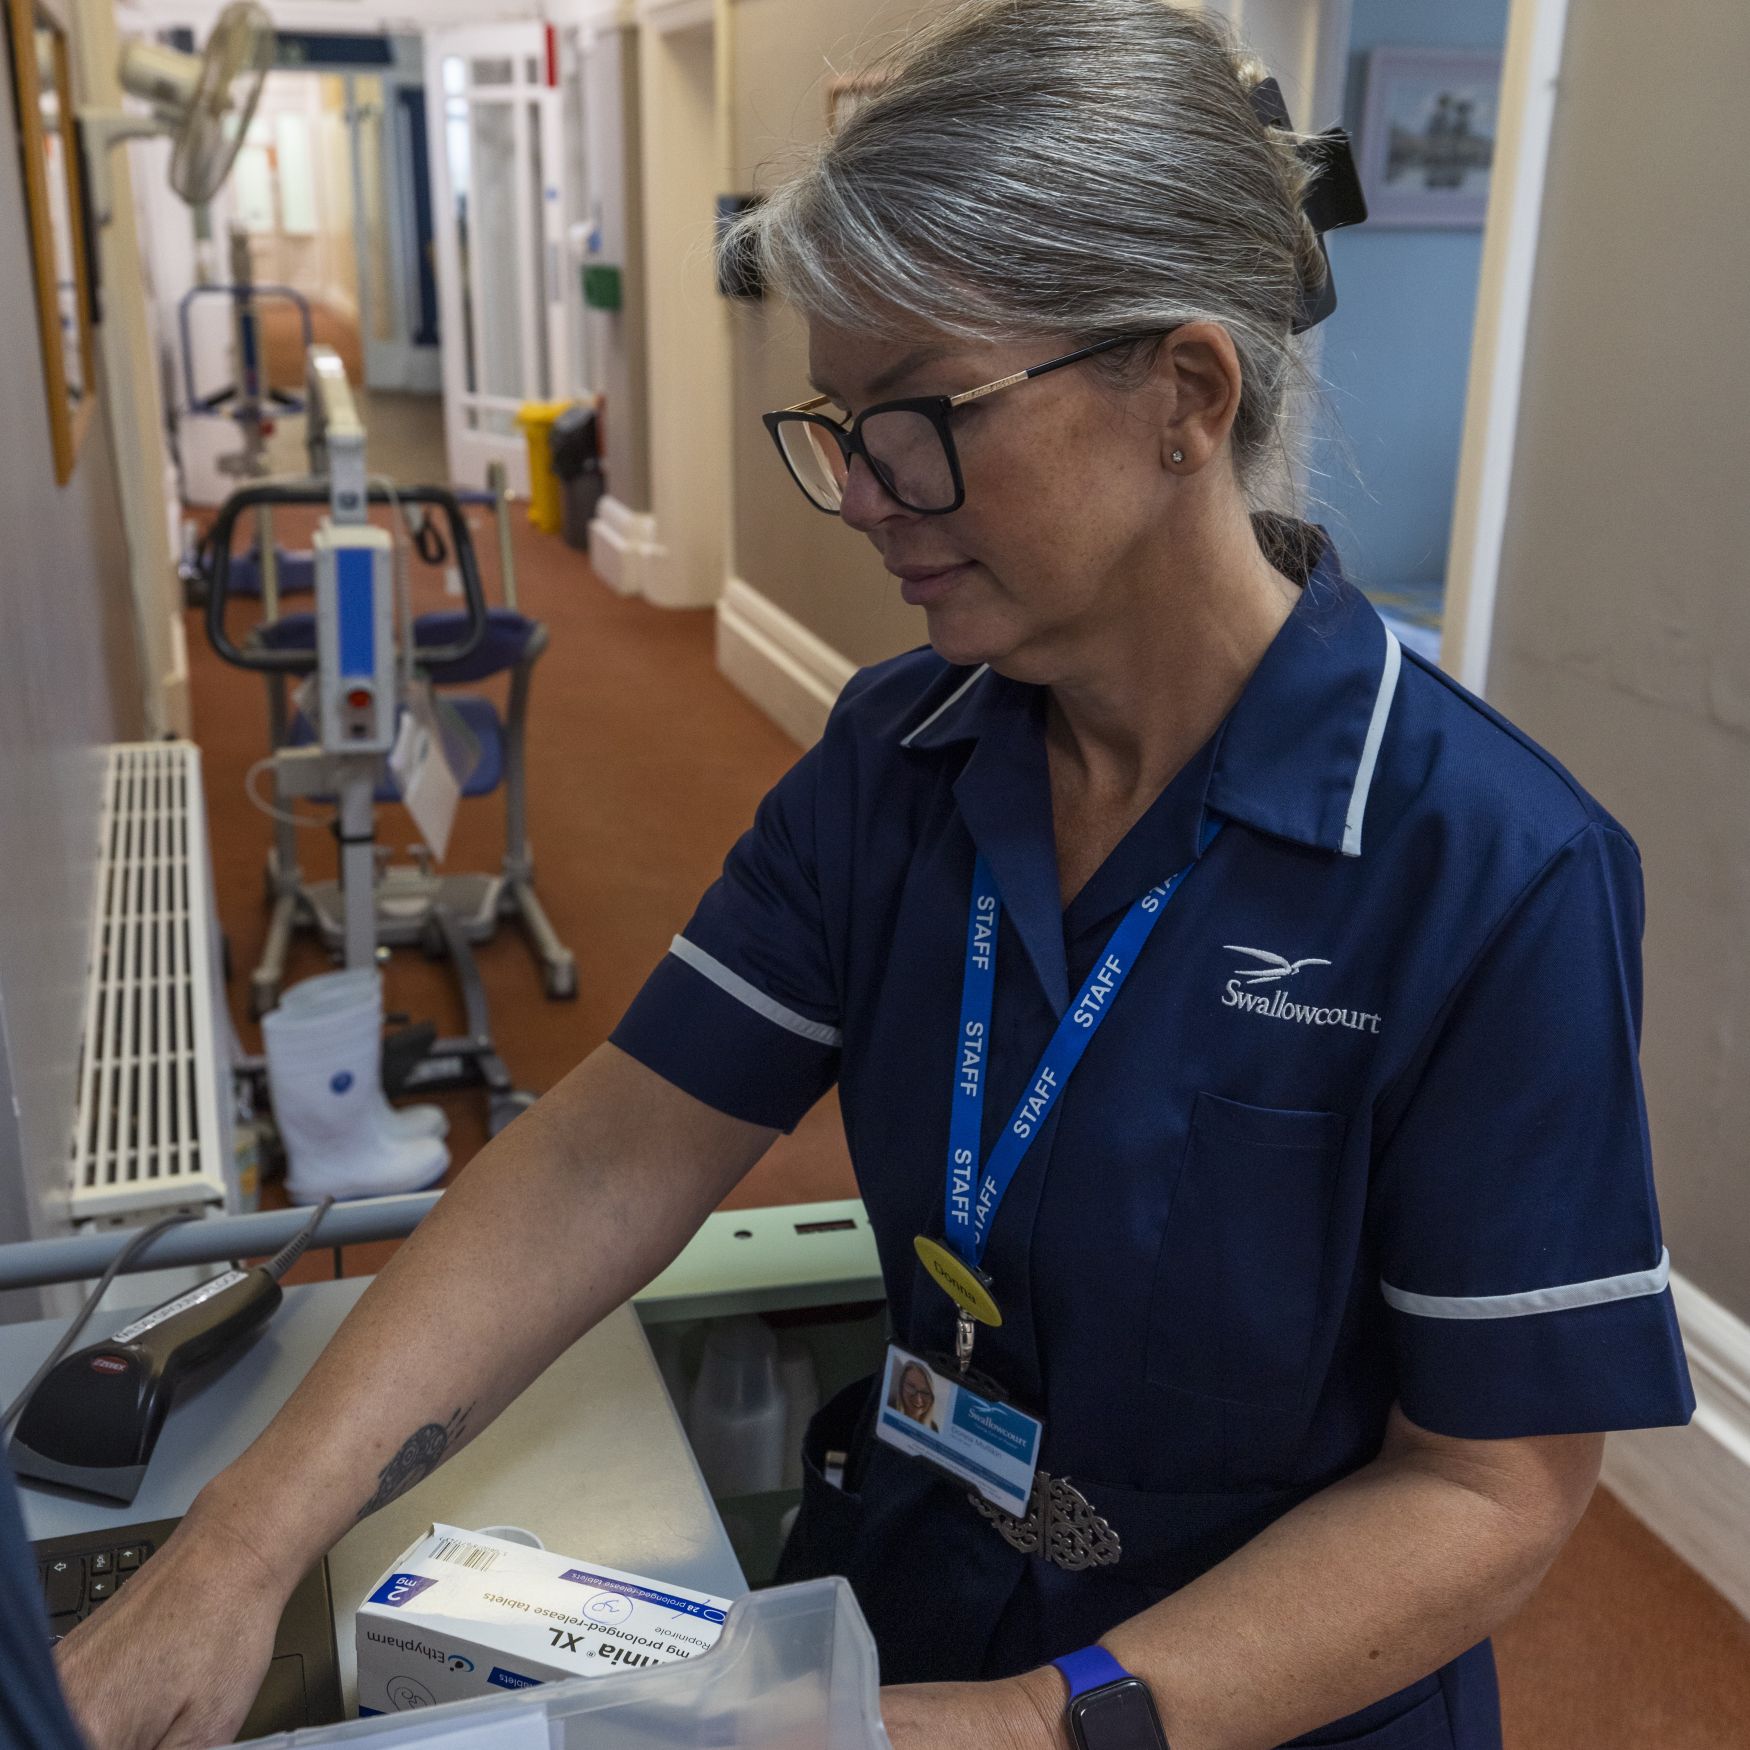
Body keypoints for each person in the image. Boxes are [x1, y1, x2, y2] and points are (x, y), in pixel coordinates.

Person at [58, 3, 1693, 1747]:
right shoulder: (898, 755)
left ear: (1184, 396)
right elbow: (613, 1149)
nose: (859, 496)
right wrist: (236, 1550)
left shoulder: (1488, 871)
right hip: (904, 1602)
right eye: (837, 422)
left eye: (917, 417)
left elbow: (1490, 1493)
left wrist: (1023, 1727)